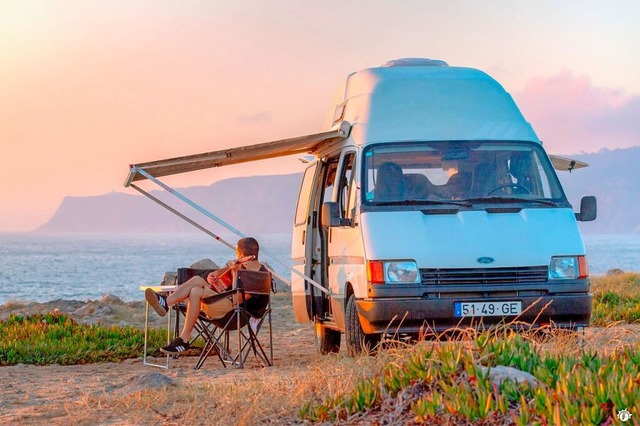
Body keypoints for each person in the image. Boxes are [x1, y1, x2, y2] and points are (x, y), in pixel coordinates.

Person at [145, 237, 265, 355]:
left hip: (236, 315)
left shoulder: (258, 276)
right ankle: (178, 329)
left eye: (237, 254)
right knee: (197, 284)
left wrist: (235, 273)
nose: (236, 258)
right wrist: (213, 274)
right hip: (225, 307)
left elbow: (235, 300)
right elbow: (221, 275)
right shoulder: (244, 267)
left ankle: (170, 311)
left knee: (196, 291)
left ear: (244, 254)